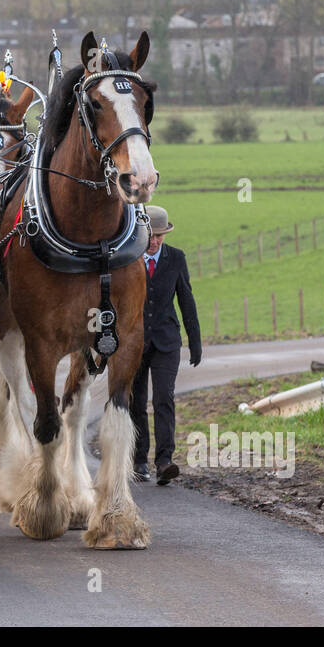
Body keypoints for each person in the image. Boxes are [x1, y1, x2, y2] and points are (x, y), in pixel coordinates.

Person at [131, 206, 202, 485]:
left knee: (164, 399)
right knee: (136, 402)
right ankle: (139, 460)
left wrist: (195, 342)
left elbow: (186, 300)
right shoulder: (129, 257)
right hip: (134, 343)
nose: (155, 240)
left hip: (166, 342)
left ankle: (164, 462)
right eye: (151, 235)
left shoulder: (176, 259)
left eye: (160, 235)